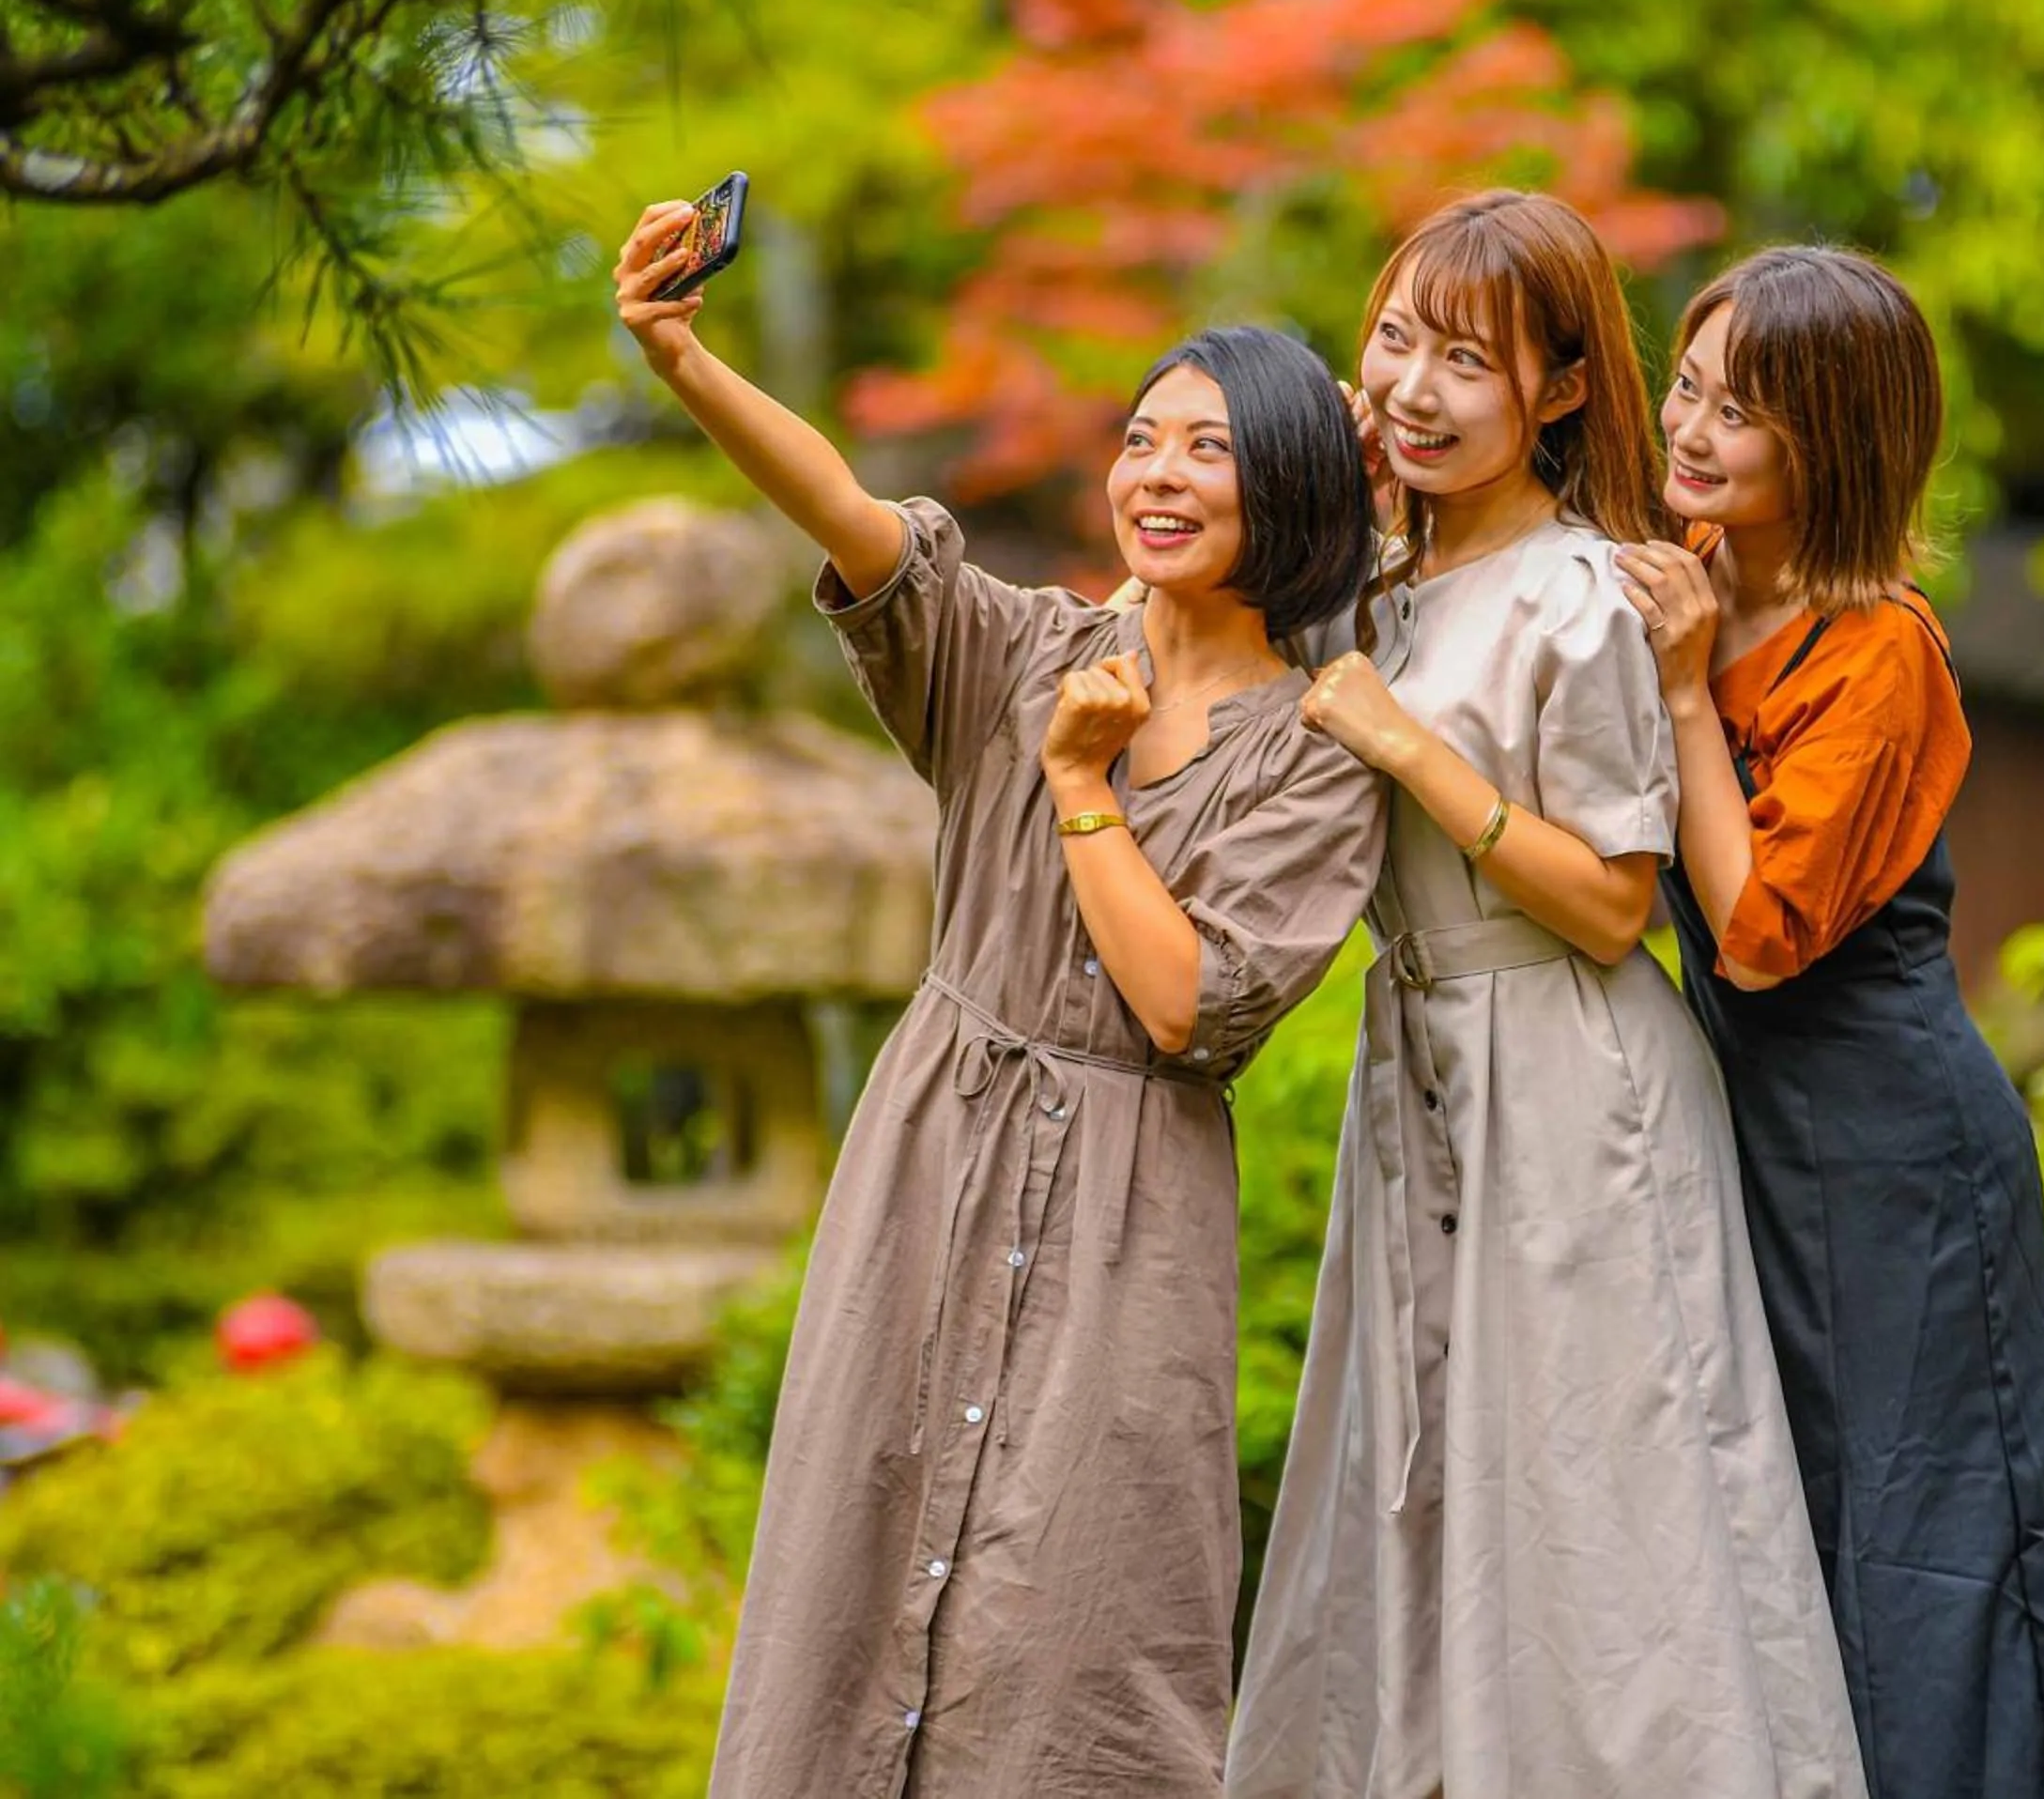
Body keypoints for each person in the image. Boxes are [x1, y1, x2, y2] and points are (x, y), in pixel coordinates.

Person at [610, 201, 1391, 1799]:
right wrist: (680, 356)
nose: (1157, 474)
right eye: (1142, 439)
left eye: (1209, 451)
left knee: (1076, 1624)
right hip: (928, 1173)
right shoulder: (1021, 646)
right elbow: (848, 511)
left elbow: (1185, 1005)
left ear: (1294, 490)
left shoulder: (1319, 751)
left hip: (1130, 1211)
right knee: (854, 1563)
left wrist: (1082, 784)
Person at [1229, 190, 1867, 1799]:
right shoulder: (1363, 591)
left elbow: (1611, 905)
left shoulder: (1584, 594)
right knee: (1425, 1478)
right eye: (1393, 342)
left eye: (1468, 358)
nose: (1414, 389)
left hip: (1576, 1085)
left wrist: (1409, 750)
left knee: (1601, 1498)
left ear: (1563, 391)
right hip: (1425, 1070)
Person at [1616, 244, 2044, 1797]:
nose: (1696, 430)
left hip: (1901, 1152)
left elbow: (1758, 933)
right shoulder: (1683, 581)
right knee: (1797, 1516)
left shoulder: (1882, 648)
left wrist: (1675, 697)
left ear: (1837, 440)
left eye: (1747, 411)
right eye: (1691, 387)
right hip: (1763, 1142)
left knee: (1934, 1543)